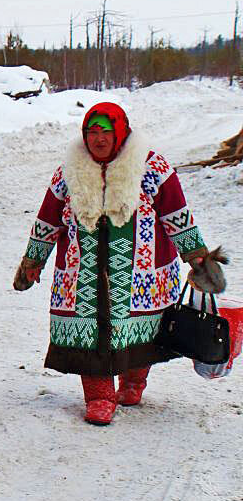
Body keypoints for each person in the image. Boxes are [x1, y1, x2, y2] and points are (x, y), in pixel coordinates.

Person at [14, 102, 227, 425]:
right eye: (91, 132)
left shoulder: (151, 167)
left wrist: (197, 257)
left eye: (105, 132)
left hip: (140, 273)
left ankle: (133, 380)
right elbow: (48, 219)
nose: (98, 139)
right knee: (89, 336)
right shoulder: (68, 171)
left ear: (120, 133)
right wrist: (33, 260)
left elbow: (176, 215)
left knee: (140, 333)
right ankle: (99, 395)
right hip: (81, 273)